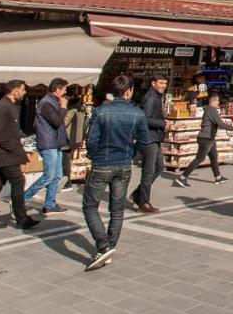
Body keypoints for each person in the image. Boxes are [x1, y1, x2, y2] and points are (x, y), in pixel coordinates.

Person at [82, 75, 148, 270]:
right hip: (124, 164)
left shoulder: (100, 112)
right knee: (117, 210)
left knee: (90, 205)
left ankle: (103, 245)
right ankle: (108, 246)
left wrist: (95, 156)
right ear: (129, 91)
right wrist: (132, 154)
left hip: (102, 163)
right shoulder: (138, 113)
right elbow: (144, 140)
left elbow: (91, 140)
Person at [0, 80, 40, 232]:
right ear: (15, 90)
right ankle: (21, 218)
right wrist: (18, 152)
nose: (25, 93)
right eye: (23, 90)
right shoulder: (2, 107)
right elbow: (0, 135)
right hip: (5, 154)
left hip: (5, 155)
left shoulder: (10, 106)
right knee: (18, 181)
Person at [25, 78, 69, 214]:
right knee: (48, 175)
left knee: (57, 175)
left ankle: (50, 204)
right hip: (48, 143)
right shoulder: (46, 103)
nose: (66, 92)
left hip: (56, 143)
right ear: (57, 89)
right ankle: (21, 199)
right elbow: (56, 122)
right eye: (64, 89)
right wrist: (63, 108)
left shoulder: (53, 101)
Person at [173, 93, 233, 185]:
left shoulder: (209, 110)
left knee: (214, 157)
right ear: (213, 101)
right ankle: (182, 178)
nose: (218, 103)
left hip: (210, 138)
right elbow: (220, 124)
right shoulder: (211, 110)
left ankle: (218, 177)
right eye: (217, 101)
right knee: (199, 159)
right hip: (206, 138)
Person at [132, 75, 167, 214]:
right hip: (149, 138)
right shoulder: (151, 97)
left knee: (160, 167)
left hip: (155, 137)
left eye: (165, 83)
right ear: (153, 83)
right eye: (161, 83)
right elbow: (145, 119)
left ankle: (139, 194)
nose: (163, 85)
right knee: (148, 171)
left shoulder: (157, 96)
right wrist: (163, 123)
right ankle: (143, 202)